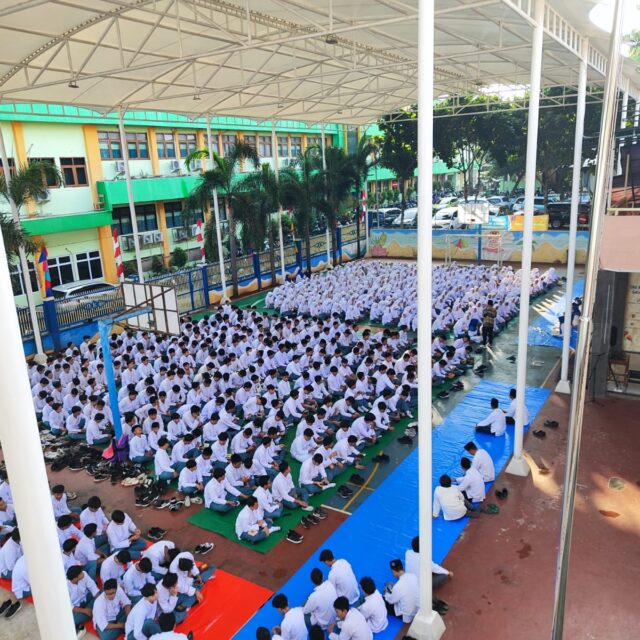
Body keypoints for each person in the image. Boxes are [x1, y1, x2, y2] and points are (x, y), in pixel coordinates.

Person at [67, 565, 100, 630]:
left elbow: (93, 587)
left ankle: (93, 611)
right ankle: (93, 611)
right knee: (73, 620)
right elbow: (70, 606)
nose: (83, 573)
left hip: (87, 598)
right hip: (77, 607)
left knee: (102, 594)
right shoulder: (65, 587)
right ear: (75, 578)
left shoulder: (84, 574)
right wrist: (84, 611)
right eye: (80, 573)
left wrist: (99, 602)